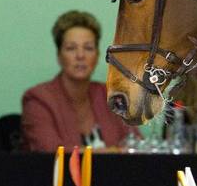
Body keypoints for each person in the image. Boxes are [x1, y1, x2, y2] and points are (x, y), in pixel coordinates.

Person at [22, 11, 133, 152]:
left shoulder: (112, 96)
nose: (80, 55)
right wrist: (112, 152)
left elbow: (136, 146)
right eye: (71, 48)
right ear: (59, 55)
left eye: (88, 48)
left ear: (97, 55)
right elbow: (50, 151)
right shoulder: (38, 99)